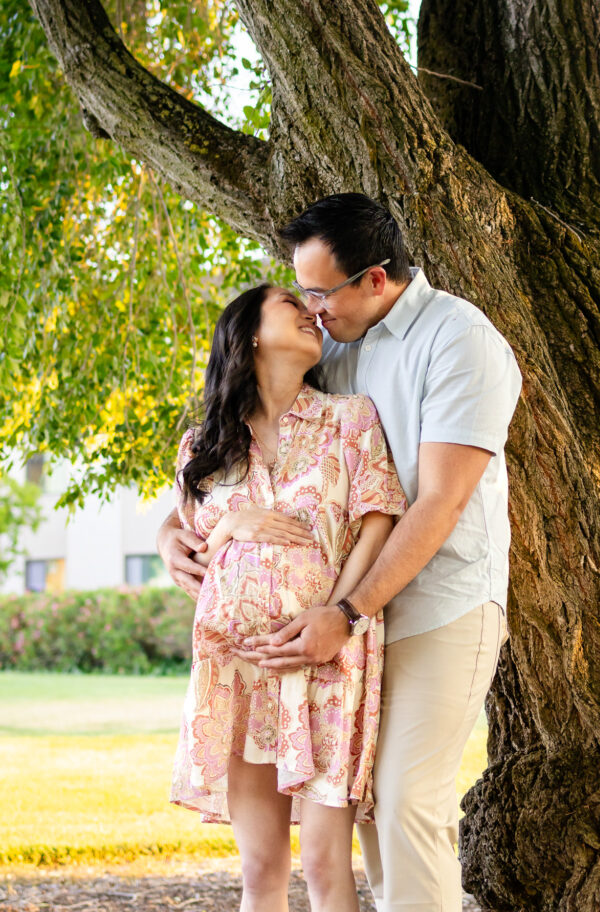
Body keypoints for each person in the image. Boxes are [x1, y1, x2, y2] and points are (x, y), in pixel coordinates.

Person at [158, 193, 523, 912]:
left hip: (434, 606)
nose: (312, 308)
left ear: (377, 280)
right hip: (316, 638)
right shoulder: (338, 350)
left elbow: (437, 502)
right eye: (301, 296)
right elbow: (231, 471)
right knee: (370, 822)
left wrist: (346, 612)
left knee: (404, 801)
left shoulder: (457, 340)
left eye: (320, 293)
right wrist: (175, 533)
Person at [168, 281, 406, 912]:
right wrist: (228, 525)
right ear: (248, 335)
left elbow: (377, 522)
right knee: (261, 870)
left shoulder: (349, 420)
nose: (311, 313)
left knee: (329, 866)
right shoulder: (204, 447)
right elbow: (188, 544)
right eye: (290, 305)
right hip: (237, 669)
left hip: (327, 664)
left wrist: (339, 617)